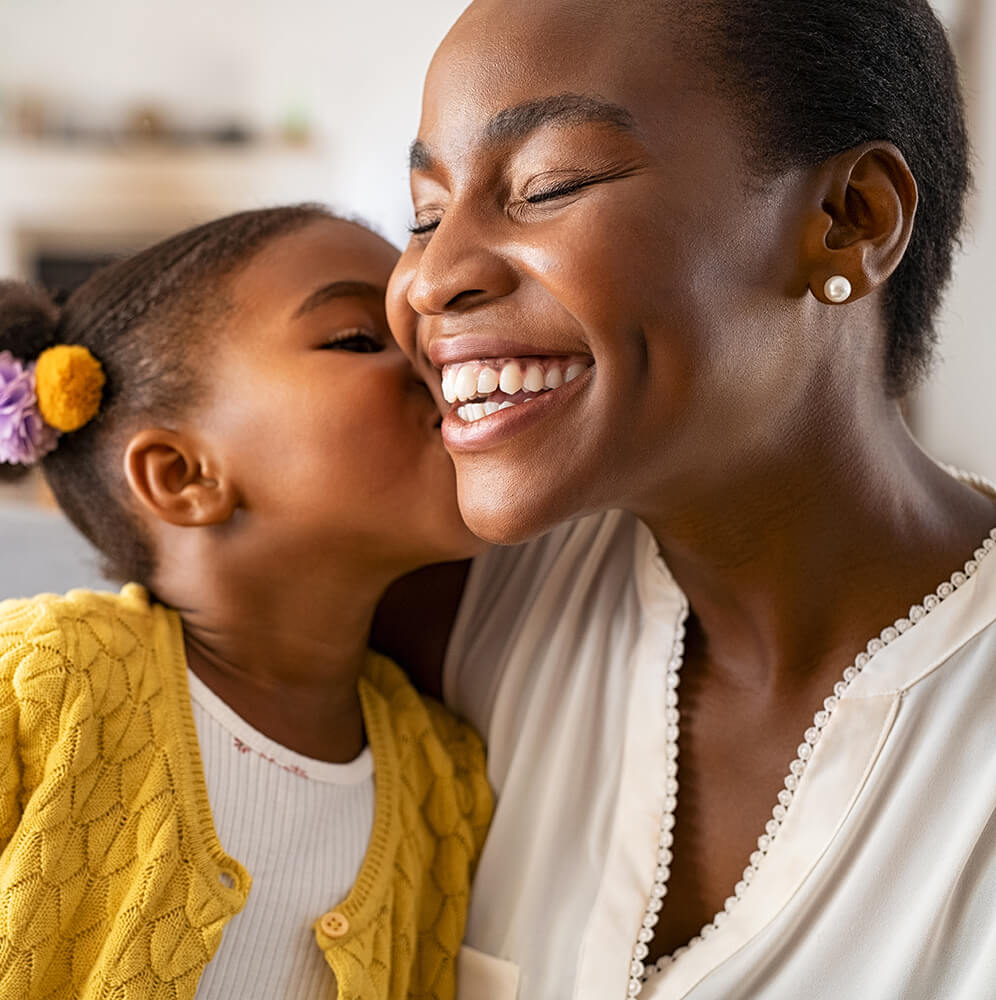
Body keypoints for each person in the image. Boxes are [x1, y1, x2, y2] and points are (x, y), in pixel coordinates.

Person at [373, 1, 996, 997]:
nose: (429, 278)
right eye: (424, 212)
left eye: (548, 185)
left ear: (851, 221)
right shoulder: (449, 609)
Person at [0, 205, 492, 1000]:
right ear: (183, 477)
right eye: (360, 339)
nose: (440, 358)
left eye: (422, 328)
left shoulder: (444, 782)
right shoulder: (38, 680)